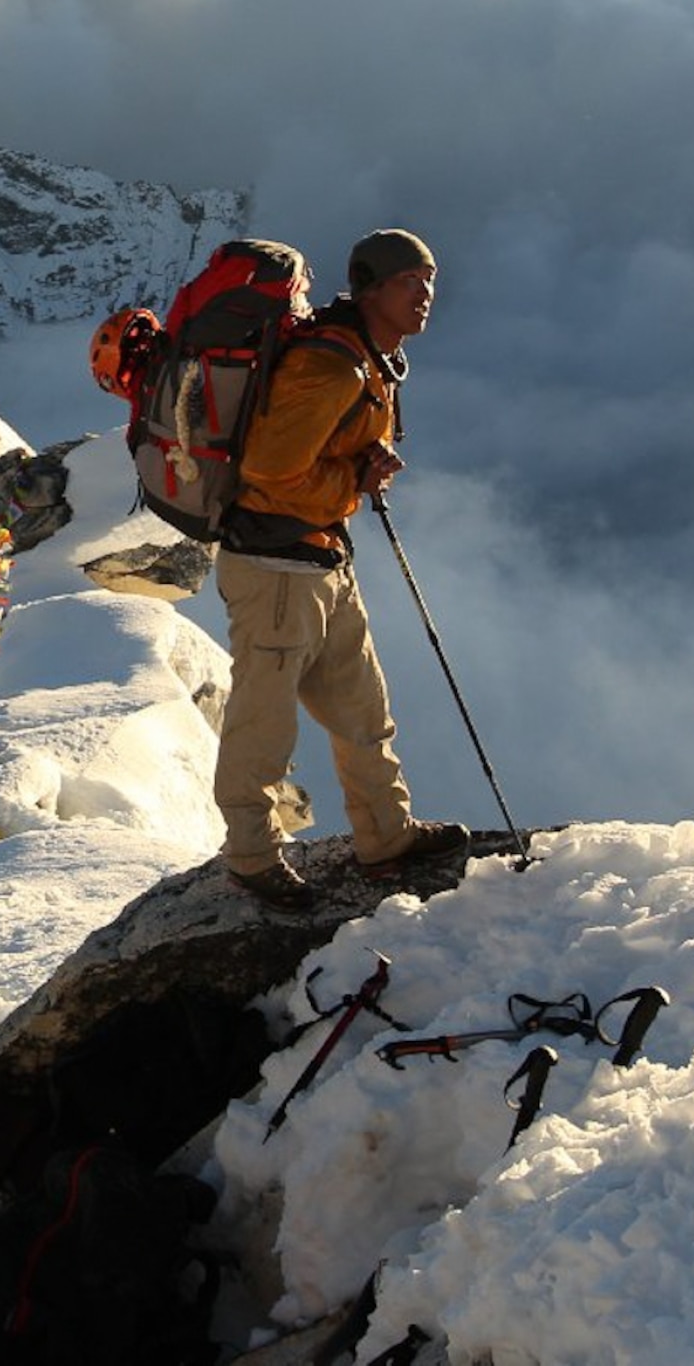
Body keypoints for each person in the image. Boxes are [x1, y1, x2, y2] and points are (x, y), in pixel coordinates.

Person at [213, 228, 470, 906]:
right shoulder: (331, 367)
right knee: (263, 724)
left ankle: (387, 838)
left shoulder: (365, 359)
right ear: (372, 290)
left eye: (430, 280)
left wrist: (355, 476)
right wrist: (354, 481)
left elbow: (317, 460)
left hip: (319, 557)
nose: (425, 295)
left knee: (363, 711)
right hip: (274, 566)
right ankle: (250, 858)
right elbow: (267, 471)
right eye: (410, 282)